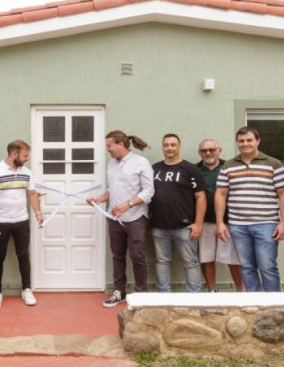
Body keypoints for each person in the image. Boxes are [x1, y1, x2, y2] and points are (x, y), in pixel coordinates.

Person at [215, 126, 284, 292]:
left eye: (249, 140)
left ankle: (273, 306)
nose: (245, 144)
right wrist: (220, 223)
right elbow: (220, 194)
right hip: (238, 225)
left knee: (267, 266)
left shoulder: (273, 164)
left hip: (267, 224)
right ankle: (254, 303)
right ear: (237, 143)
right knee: (247, 267)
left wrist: (283, 223)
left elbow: (283, 194)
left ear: (258, 141)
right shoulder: (228, 166)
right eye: (241, 141)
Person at [87, 130, 154, 308]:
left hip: (135, 217)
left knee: (137, 256)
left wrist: (128, 204)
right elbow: (112, 190)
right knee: (117, 255)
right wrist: (99, 199)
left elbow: (149, 191)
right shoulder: (111, 164)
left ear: (120, 144)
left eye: (109, 146)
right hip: (114, 218)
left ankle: (141, 295)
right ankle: (119, 292)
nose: (107, 149)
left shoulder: (141, 162)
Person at [0, 140, 43, 310]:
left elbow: (32, 194)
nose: (26, 159)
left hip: (21, 221)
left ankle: (26, 289)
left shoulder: (27, 172)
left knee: (23, 255)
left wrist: (38, 213)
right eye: (24, 155)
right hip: (0, 221)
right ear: (14, 153)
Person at [150, 134, 206, 293]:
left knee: (191, 262)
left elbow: (201, 197)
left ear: (179, 147)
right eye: (166, 145)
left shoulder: (190, 169)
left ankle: (194, 297)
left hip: (185, 226)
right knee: (161, 262)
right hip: (159, 226)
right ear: (162, 147)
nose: (169, 148)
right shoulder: (154, 169)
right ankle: (164, 296)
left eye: (173, 145)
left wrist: (198, 224)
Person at [196, 139, 244, 293]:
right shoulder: (194, 170)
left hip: (228, 221)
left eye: (211, 149)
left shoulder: (229, 167)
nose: (208, 153)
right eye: (204, 150)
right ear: (199, 153)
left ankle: (241, 291)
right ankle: (212, 290)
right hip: (204, 221)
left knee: (233, 258)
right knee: (206, 257)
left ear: (219, 150)